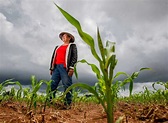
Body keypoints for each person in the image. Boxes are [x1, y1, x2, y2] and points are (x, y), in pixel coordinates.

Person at [49, 32, 77, 108]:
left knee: (67, 85)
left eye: (65, 36)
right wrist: (51, 68)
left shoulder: (72, 46)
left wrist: (71, 67)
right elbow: (53, 57)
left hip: (65, 68)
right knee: (52, 84)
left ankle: (67, 104)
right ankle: (50, 102)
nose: (64, 38)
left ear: (69, 38)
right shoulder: (57, 47)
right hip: (56, 68)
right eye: (63, 37)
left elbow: (74, 57)